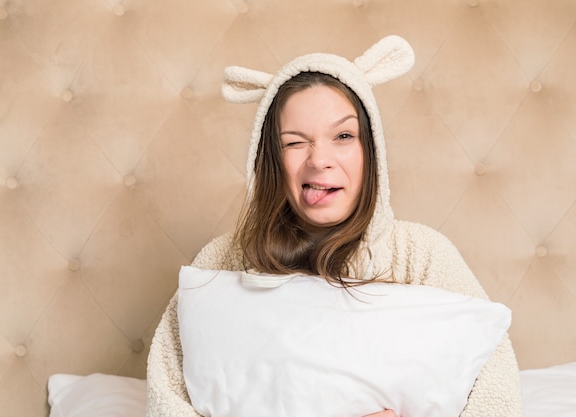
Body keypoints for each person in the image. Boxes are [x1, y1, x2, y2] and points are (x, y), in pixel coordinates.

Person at [146, 35, 523, 417]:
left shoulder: (422, 256)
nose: (319, 160)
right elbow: (167, 393)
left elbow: (496, 388)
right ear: (270, 160)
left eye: (343, 136)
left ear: (370, 149)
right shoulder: (222, 261)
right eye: (295, 143)